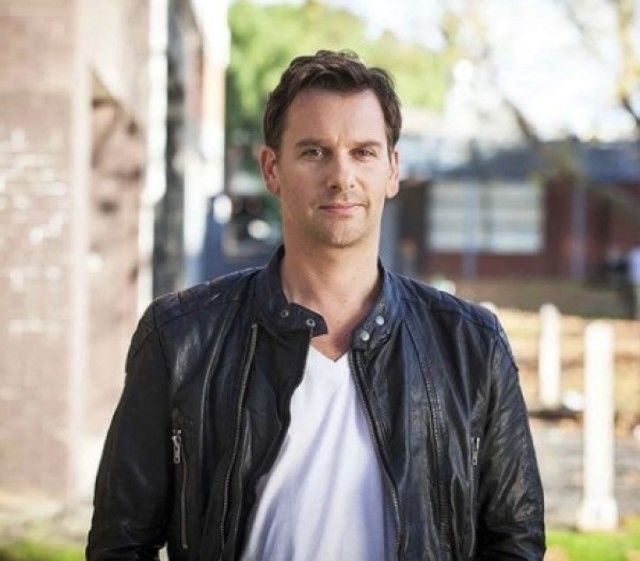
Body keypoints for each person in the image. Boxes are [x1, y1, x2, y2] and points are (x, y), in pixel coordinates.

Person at [87, 50, 545, 561]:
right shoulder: (180, 339)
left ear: (392, 170)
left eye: (363, 152)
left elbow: (515, 542)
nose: (341, 176)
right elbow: (120, 543)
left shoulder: (471, 346)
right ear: (272, 169)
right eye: (314, 152)